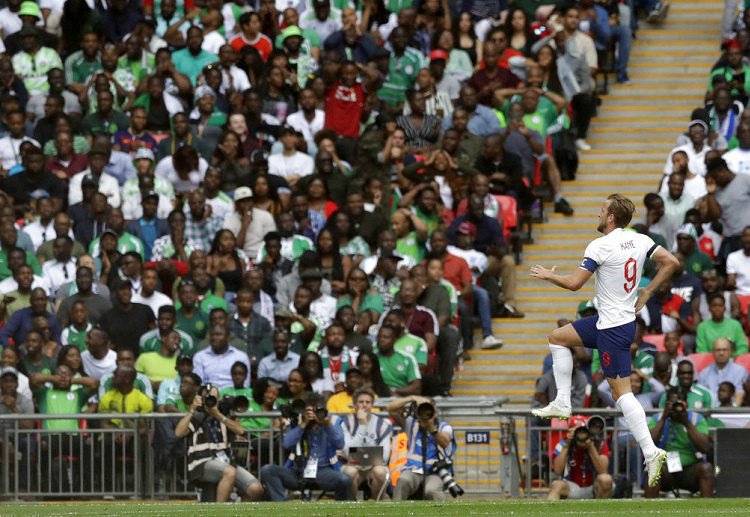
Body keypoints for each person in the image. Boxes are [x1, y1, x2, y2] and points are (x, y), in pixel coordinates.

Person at [530, 194, 680, 488]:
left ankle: (652, 452)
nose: (599, 215)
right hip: (610, 322)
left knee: (621, 394)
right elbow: (671, 261)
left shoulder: (599, 245)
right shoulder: (639, 239)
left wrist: (549, 276)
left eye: (601, 211)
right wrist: (647, 291)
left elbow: (575, 284)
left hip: (612, 327)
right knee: (558, 338)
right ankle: (562, 402)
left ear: (611, 217)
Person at [174, 383, 264, 502]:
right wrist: (192, 410)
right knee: (230, 472)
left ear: (219, 399)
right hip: (201, 462)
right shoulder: (196, 417)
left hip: (226, 462)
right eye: (207, 397)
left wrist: (218, 415)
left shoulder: (223, 416)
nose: (210, 401)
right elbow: (179, 433)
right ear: (200, 399)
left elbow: (240, 430)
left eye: (213, 397)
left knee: (256, 489)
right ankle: (219, 512)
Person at [260, 391, 351, 501]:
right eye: (309, 411)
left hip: (323, 471)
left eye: (316, 410)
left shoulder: (333, 420)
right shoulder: (299, 420)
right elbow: (287, 443)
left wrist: (327, 424)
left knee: (344, 480)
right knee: (267, 470)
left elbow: (339, 444)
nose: (313, 414)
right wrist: (303, 424)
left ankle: (339, 511)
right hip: (298, 471)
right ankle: (284, 507)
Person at [644, 387, 715, 498]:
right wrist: (663, 419)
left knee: (706, 468)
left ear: (685, 404)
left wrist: (687, 423)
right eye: (672, 403)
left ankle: (708, 512)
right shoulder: (658, 418)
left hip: (689, 470)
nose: (676, 407)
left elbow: (705, 447)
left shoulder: (696, 418)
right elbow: (649, 444)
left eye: (679, 403)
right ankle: (647, 512)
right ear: (666, 403)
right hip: (666, 469)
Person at [387, 395, 456, 500]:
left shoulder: (444, 426)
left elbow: (445, 442)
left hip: (436, 471)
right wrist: (411, 398)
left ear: (435, 413)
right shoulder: (411, 423)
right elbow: (391, 409)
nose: (425, 414)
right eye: (422, 411)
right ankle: (396, 511)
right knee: (403, 480)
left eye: (429, 411)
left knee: (432, 490)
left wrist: (431, 427)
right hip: (412, 469)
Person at [339, 386, 392, 499]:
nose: (364, 405)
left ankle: (374, 505)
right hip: (352, 466)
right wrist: (362, 425)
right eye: (360, 402)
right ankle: (352, 506)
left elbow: (385, 456)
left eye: (367, 402)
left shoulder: (383, 425)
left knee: (381, 472)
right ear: (354, 405)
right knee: (349, 472)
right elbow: (348, 452)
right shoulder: (346, 423)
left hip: (373, 466)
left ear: (372, 405)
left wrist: (355, 455)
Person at [548, 415, 613, 500]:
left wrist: (590, 448)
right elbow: (557, 470)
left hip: (594, 486)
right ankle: (547, 512)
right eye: (577, 431)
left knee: (606, 479)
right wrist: (567, 445)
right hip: (572, 486)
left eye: (582, 431)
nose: (580, 434)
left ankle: (601, 512)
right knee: (556, 485)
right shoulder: (563, 444)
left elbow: (603, 471)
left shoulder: (599, 444)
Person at [193, 325, 250, 389]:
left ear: (228, 337)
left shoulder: (241, 357)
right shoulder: (200, 356)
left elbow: (245, 384)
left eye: (218, 335)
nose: (214, 338)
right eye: (212, 335)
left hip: (234, 395)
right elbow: (198, 383)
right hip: (209, 395)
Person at [697, 338, 748, 406]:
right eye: (718, 350)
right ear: (713, 352)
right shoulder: (704, 373)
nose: (721, 353)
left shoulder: (740, 371)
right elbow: (700, 396)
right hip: (709, 412)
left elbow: (739, 396)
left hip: (731, 412)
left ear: (731, 352)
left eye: (725, 350)